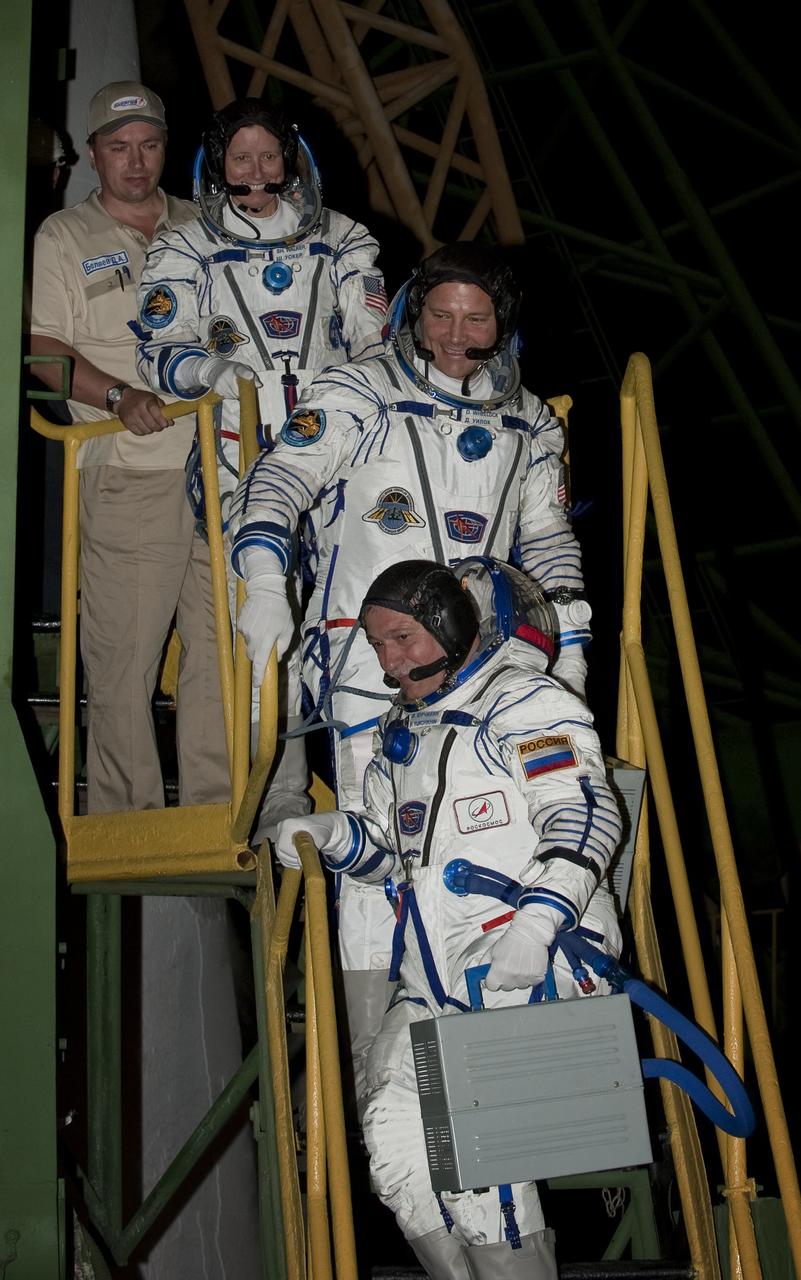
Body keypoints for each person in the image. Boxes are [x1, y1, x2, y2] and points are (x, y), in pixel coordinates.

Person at [226, 241, 594, 1104]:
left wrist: (569, 645)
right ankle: (376, 1060)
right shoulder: (359, 391)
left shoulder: (531, 421)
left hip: (490, 672)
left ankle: (500, 1029)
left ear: (501, 321)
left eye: (476, 317)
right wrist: (266, 583)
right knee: (382, 846)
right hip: (374, 666)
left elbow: (544, 539)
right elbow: (277, 482)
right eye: (440, 315)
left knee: (501, 834)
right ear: (410, 313)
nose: (457, 334)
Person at [29, 82, 259, 1277]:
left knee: (220, 650)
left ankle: (222, 803)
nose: (133, 157)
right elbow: (39, 345)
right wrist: (111, 394)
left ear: (167, 149)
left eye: (148, 140)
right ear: (95, 153)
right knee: (121, 657)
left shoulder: (206, 227)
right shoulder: (65, 238)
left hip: (223, 469)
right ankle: (122, 809)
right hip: (123, 465)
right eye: (116, 142)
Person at [274, 557, 624, 1280]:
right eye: (377, 644)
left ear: (452, 625)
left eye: (402, 637)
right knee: (395, 1144)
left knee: (477, 1169)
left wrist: (539, 922)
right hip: (436, 978)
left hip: (528, 961)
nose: (390, 659)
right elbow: (389, 851)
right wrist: (335, 836)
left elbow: (584, 813)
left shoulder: (525, 705)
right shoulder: (402, 735)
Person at [134, 96, 388, 837]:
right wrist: (211, 376)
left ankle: (365, 781)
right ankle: (278, 791)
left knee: (346, 618)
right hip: (236, 456)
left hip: (335, 458)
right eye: (239, 159)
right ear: (217, 165)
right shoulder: (183, 246)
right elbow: (159, 344)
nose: (255, 173)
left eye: (268, 157)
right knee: (263, 628)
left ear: (291, 160)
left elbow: (373, 339)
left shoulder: (344, 241)